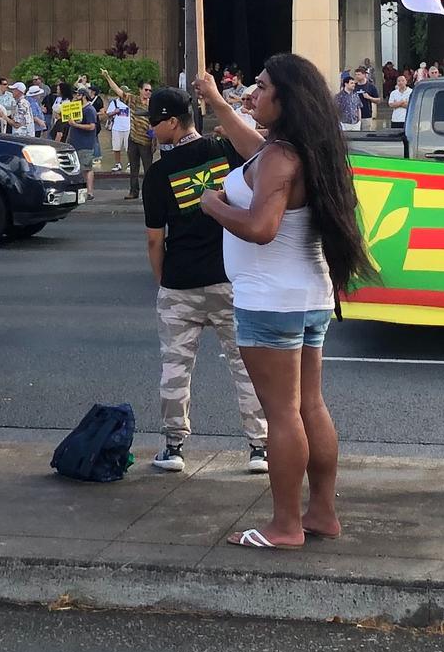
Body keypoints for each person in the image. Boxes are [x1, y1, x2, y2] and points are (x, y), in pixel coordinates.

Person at [194, 56, 368, 550]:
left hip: (270, 301)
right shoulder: (304, 151)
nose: (254, 92)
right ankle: (322, 513)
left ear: (286, 99)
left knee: (282, 413)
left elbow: (261, 228)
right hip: (309, 295)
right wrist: (216, 99)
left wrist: (214, 206)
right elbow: (250, 150)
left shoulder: (280, 158)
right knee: (310, 405)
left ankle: (285, 525)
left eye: (263, 86)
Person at [141, 87, 269, 475]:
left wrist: (164, 279)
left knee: (175, 368)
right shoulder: (225, 152)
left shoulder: (160, 173)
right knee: (247, 366)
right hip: (230, 279)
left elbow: (153, 238)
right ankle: (260, 449)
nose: (151, 129)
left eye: (155, 122)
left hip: (181, 282)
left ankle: (174, 446)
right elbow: (260, 157)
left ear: (175, 122)